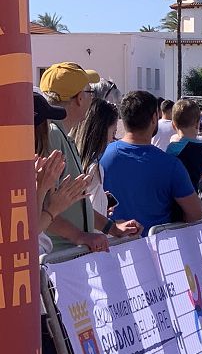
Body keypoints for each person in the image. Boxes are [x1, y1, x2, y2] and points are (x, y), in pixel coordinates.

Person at [34, 127, 96, 354]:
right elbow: (19, 242)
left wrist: (46, 194)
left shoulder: (25, 166)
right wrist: (50, 204)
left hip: (36, 296)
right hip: (24, 298)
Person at [40, 62, 138, 252]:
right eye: (89, 93)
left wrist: (111, 227)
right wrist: (80, 236)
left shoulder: (62, 136)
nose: (92, 99)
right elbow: (43, 208)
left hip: (67, 256)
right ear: (78, 99)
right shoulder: (53, 135)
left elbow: (70, 201)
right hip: (60, 258)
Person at [101, 91, 202, 233]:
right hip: (156, 249)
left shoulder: (101, 156)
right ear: (155, 118)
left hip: (112, 248)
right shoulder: (170, 165)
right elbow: (195, 214)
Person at [73, 97, 120, 218]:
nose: (112, 139)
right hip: (91, 235)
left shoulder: (74, 158)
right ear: (101, 131)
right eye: (113, 133)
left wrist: (102, 202)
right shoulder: (93, 168)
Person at [167, 99, 202, 192]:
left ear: (173, 125)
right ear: (198, 124)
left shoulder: (173, 148)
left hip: (174, 194)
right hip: (192, 192)